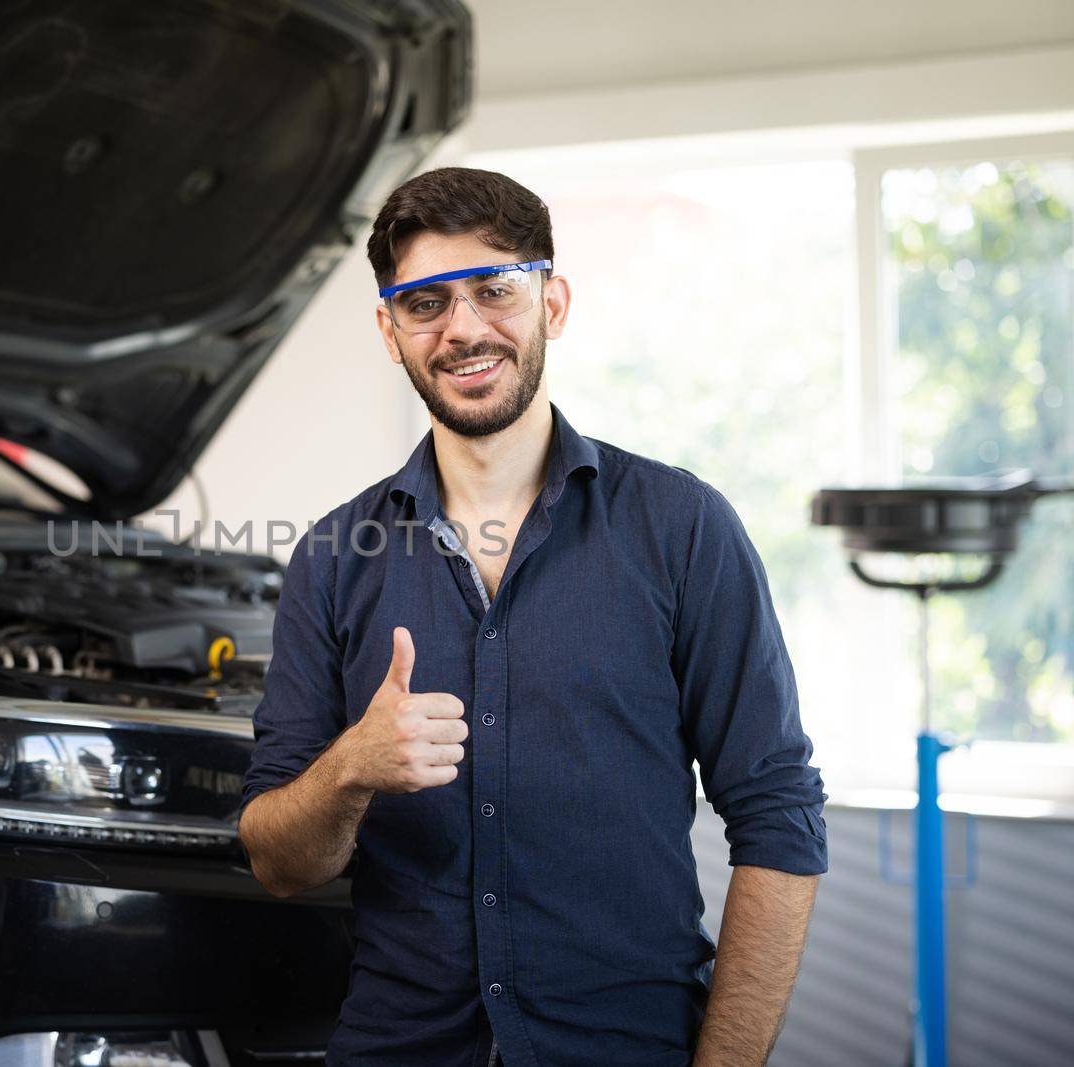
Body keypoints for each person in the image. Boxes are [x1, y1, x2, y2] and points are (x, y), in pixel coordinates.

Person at [237, 167, 828, 1067]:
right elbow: (279, 862)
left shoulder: (681, 527)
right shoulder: (329, 556)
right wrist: (353, 765)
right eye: (425, 302)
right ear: (390, 332)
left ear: (552, 303)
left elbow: (779, 817)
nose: (464, 327)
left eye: (495, 289)